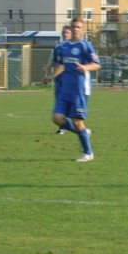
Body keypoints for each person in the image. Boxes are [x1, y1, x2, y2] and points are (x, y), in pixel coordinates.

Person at [50, 18, 100, 162]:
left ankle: (88, 153)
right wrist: (51, 76)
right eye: (74, 27)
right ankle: (84, 132)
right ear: (70, 29)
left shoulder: (85, 46)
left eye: (78, 27)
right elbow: (62, 65)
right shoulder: (63, 46)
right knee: (57, 118)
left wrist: (85, 67)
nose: (76, 29)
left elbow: (96, 64)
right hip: (65, 89)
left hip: (79, 89)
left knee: (77, 121)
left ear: (82, 29)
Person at [45, 24, 73, 134]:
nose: (65, 34)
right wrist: (48, 67)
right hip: (60, 79)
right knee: (59, 103)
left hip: (70, 79)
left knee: (68, 103)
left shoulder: (74, 47)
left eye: (67, 32)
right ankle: (63, 126)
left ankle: (68, 126)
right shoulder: (58, 47)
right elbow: (55, 61)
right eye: (64, 33)